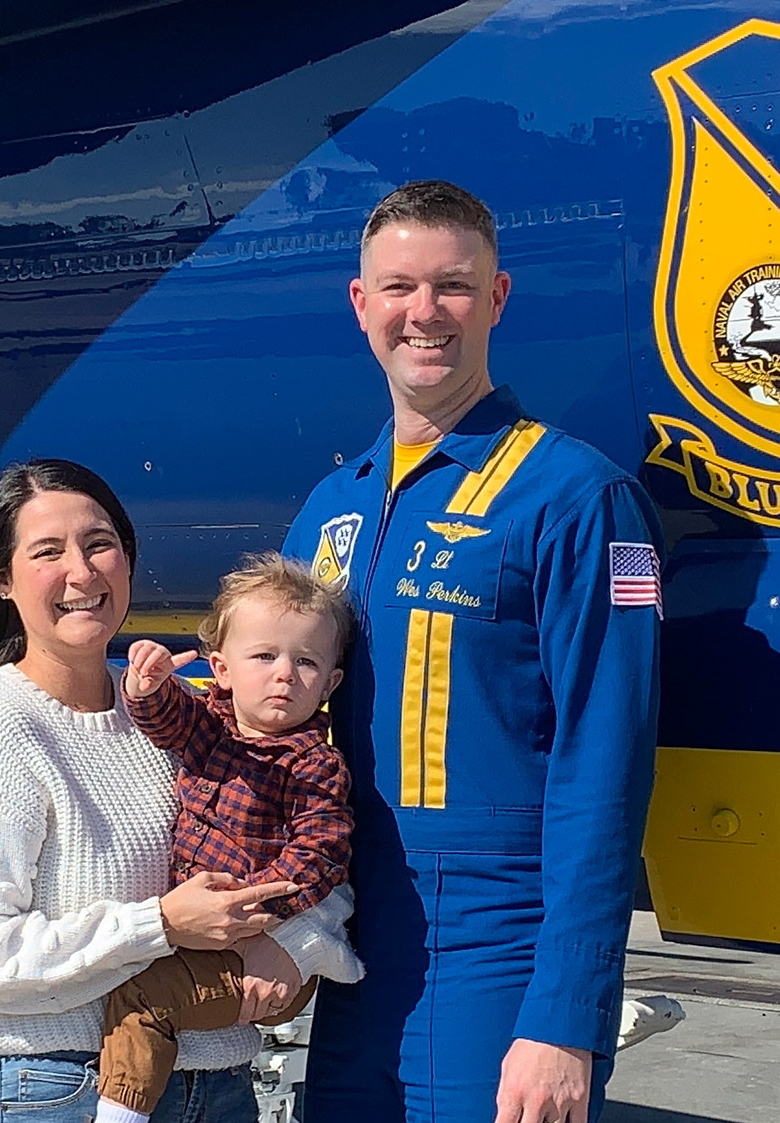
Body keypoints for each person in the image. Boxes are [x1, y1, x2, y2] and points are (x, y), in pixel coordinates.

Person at [282, 180, 661, 1122]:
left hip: (502, 942)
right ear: (361, 304)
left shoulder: (577, 500)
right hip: (357, 945)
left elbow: (605, 766)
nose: (425, 313)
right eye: (400, 287)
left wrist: (566, 1017)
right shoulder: (330, 510)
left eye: (453, 286)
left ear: (494, 300)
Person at [0, 459, 296, 1123]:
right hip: (62, 1091)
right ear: (3, 580)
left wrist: (284, 944)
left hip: (218, 1084)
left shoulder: (167, 711)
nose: (81, 573)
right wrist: (160, 925)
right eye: (47, 552)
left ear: (126, 558)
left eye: (98, 545)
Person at [98, 554, 367, 1123]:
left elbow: (321, 852)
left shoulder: (314, 765)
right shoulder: (209, 725)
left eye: (307, 662)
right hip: (208, 935)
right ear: (220, 668)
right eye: (264, 656)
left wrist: (255, 910)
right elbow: (167, 717)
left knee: (142, 998)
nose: (285, 674)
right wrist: (145, 686)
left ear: (331, 683)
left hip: (256, 943)